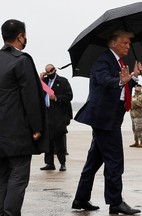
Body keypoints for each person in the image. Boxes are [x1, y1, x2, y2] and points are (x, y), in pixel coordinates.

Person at [72, 30, 142, 215]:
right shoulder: (103, 61)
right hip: (105, 119)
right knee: (114, 160)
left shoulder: (119, 63)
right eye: (125, 43)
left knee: (94, 161)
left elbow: (121, 87)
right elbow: (105, 81)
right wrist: (121, 80)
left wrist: (133, 76)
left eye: (129, 43)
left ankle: (81, 198)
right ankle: (115, 202)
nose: (128, 46)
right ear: (113, 44)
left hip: (110, 118)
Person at [0, 19, 49, 216]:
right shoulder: (22, 60)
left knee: (2, 177)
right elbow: (31, 98)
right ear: (21, 36)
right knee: (18, 176)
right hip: (17, 132)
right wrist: (36, 128)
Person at [39, 64, 73, 171]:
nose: (49, 74)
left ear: (54, 70)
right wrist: (40, 78)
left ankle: (62, 163)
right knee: (47, 141)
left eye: (50, 71)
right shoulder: (44, 81)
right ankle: (49, 163)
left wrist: (56, 97)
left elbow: (69, 96)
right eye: (47, 72)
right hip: (47, 114)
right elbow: (34, 88)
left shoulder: (63, 81)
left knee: (59, 141)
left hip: (59, 115)